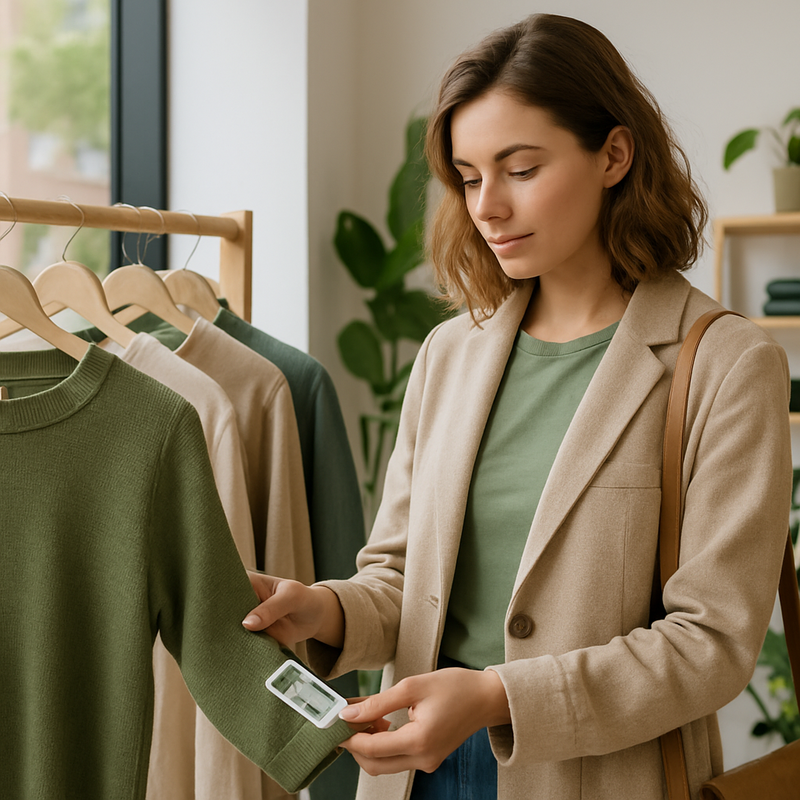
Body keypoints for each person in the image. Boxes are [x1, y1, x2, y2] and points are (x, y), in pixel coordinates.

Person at [242, 13, 792, 800]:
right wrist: (323, 610)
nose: (487, 207)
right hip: (415, 773)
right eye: (468, 177)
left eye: (520, 169)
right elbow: (401, 580)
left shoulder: (727, 365)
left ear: (613, 154)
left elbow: (712, 645)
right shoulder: (449, 354)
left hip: (599, 778)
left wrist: (497, 697)